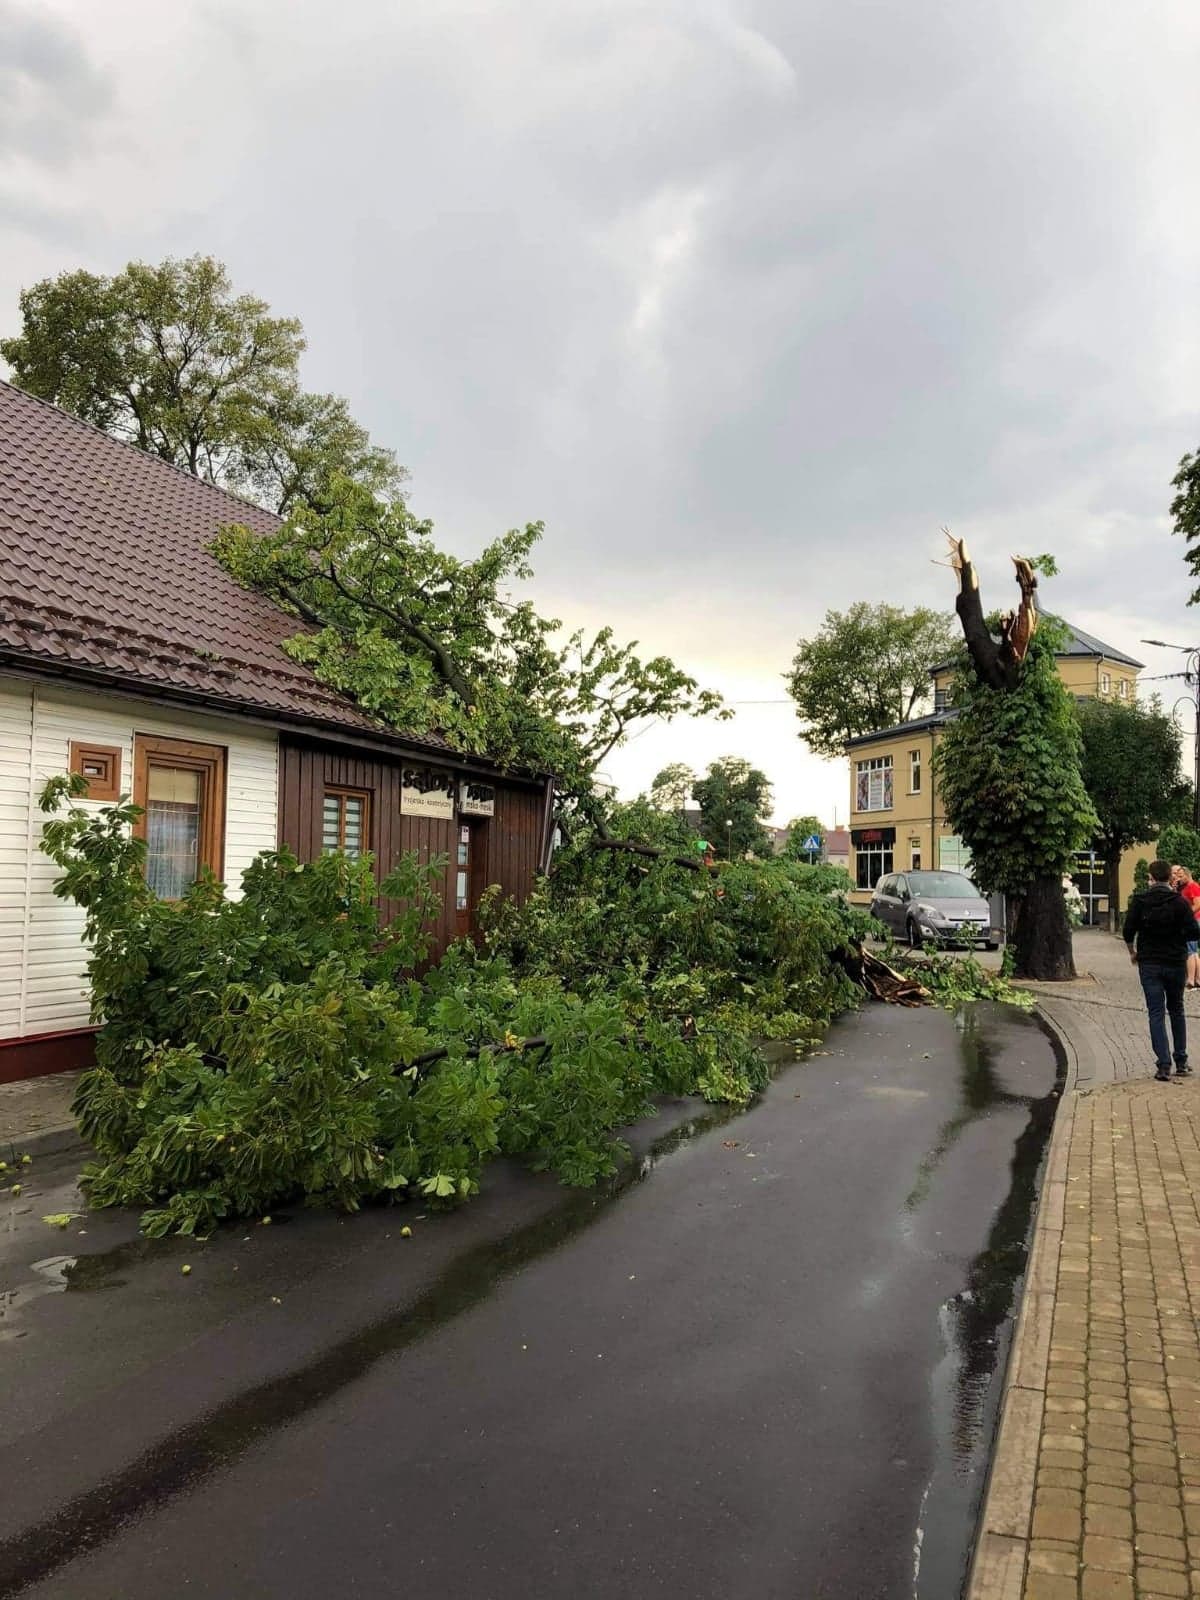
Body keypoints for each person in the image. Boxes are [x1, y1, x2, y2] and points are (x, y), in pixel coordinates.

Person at [1125, 859, 1196, 1081]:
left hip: (1150, 963)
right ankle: (1181, 1061)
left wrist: (1133, 952)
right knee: (1177, 1009)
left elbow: (1128, 931)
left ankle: (1163, 1065)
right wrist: (1179, 940)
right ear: (1170, 877)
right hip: (1175, 962)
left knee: (1156, 1012)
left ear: (1152, 877)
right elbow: (1194, 932)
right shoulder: (1180, 902)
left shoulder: (1140, 901)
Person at [1173, 866, 1200, 988]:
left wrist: (1187, 915)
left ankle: (1190, 980)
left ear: (1187, 875)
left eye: (1180, 876)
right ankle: (1197, 978)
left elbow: (1198, 904)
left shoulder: (1193, 887)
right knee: (1193, 951)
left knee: (1190, 951)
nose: (1178, 879)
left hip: (1193, 920)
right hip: (1191, 920)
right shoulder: (1184, 887)